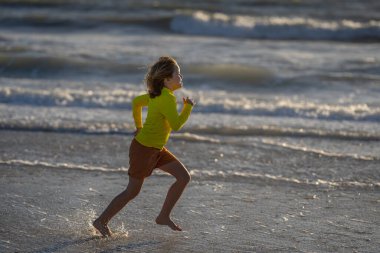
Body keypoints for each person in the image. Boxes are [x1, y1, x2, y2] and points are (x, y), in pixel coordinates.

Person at [93, 56, 195, 237]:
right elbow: (177, 125)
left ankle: (163, 216)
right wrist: (188, 108)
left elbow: (136, 103)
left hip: (156, 149)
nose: (181, 76)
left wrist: (139, 126)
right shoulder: (167, 99)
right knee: (132, 191)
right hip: (144, 150)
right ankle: (101, 221)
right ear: (166, 79)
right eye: (177, 73)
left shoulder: (156, 95)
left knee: (183, 177)